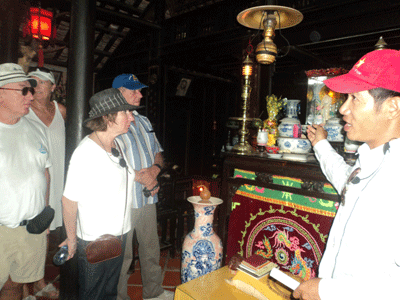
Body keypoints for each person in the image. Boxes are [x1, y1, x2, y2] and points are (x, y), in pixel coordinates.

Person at [293, 49, 400, 300]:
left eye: (354, 98)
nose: (343, 109)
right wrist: (321, 145)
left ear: (392, 107)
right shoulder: (375, 160)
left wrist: (328, 291)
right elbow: (345, 178)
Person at [60, 88, 137, 299]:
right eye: (126, 112)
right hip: (95, 240)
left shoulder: (117, 144)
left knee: (109, 293)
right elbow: (68, 200)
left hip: (118, 235)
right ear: (107, 117)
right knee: (93, 294)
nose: (132, 117)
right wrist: (71, 239)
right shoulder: (86, 153)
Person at [113, 74, 174, 300]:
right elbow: (111, 159)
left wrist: (155, 170)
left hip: (148, 197)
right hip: (124, 200)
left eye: (140, 90)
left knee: (151, 248)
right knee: (123, 255)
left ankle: (153, 292)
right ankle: (119, 297)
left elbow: (157, 150)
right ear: (119, 92)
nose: (140, 94)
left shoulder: (144, 121)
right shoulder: (111, 121)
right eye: (134, 91)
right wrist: (142, 177)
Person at [0, 63, 51, 300]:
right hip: (2, 230)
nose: (31, 95)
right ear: (1, 94)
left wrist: (45, 216)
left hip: (32, 229)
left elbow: (45, 173)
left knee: (15, 285)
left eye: (31, 89)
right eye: (23, 90)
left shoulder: (35, 129)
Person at [22, 67, 67, 299]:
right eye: (33, 82)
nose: (37, 86)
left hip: (60, 179)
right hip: (37, 181)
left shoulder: (61, 110)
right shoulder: (24, 111)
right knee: (40, 232)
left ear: (53, 87)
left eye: (42, 82)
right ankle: (36, 282)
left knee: (55, 230)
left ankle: (37, 277)